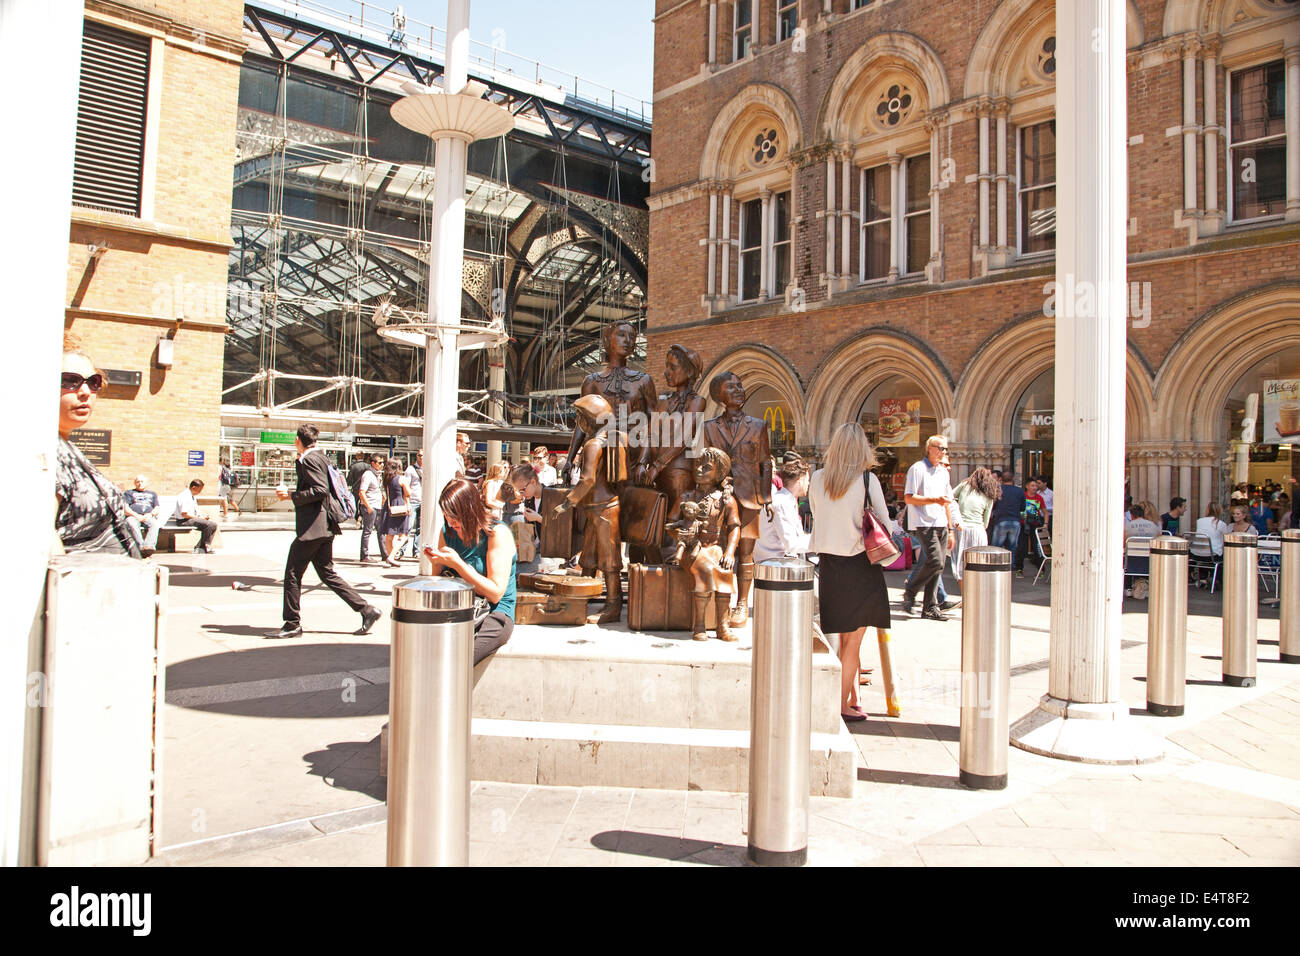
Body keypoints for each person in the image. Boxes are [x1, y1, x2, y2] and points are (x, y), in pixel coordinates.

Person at [808, 423, 894, 722]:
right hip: (860, 565)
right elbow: (886, 525)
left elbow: (816, 515)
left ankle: (850, 696)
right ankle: (839, 704)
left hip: (829, 565)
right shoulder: (868, 481)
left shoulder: (817, 478)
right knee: (852, 642)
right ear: (862, 449)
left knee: (840, 638)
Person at [270, 424, 380, 639]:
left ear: (298, 440)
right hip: (326, 525)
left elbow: (319, 489)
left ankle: (292, 623)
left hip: (314, 527)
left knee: (292, 573)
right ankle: (367, 610)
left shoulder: (309, 459)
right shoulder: (323, 457)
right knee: (327, 573)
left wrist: (290, 495)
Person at [54, 344, 142, 557]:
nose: (85, 392)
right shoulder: (40, 451)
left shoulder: (65, 447)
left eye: (92, 382)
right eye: (69, 381)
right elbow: (39, 538)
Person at [552, 395, 629, 624]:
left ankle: (613, 605)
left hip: (602, 507)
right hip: (600, 506)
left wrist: (567, 503)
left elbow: (586, 480)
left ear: (590, 419)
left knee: (610, 559)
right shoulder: (612, 439)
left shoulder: (594, 444)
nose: (578, 421)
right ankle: (581, 598)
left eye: (579, 417)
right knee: (589, 557)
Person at [424, 478, 517, 664]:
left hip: (495, 613)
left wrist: (458, 564)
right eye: (447, 516)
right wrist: (437, 564)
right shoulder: (447, 531)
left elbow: (495, 593)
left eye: (455, 516)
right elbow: (439, 583)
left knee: (460, 659)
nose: (451, 522)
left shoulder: (496, 533)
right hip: (459, 608)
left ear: (470, 510)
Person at [902, 435, 957, 621]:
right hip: (923, 523)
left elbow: (947, 502)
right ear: (930, 448)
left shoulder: (943, 472)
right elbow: (909, 498)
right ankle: (911, 589)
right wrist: (934, 500)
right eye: (940, 448)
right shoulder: (917, 469)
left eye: (946, 449)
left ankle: (930, 607)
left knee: (938, 567)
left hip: (940, 522)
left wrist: (950, 530)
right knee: (936, 562)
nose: (943, 452)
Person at [755, 457, 811, 561]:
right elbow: (792, 544)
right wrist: (820, 541)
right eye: (807, 480)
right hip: (774, 567)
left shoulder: (786, 500)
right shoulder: (782, 503)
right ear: (800, 481)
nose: (808, 484)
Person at [952, 467, 1000, 584]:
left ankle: (965, 597)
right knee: (978, 565)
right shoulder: (989, 496)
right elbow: (986, 522)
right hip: (978, 531)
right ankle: (976, 596)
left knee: (961, 565)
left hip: (961, 528)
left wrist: (956, 512)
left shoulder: (964, 485)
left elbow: (950, 496)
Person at [379, 457, 412, 567]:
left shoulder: (387, 479)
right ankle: (392, 556)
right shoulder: (401, 479)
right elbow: (408, 493)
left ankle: (390, 556)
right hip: (400, 506)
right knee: (403, 535)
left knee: (390, 534)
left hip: (389, 506)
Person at [123, 474, 168, 555]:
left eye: (142, 481)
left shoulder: (152, 494)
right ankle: (141, 547)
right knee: (132, 524)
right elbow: (126, 509)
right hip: (133, 516)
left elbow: (157, 508)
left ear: (146, 483)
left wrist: (150, 515)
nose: (140, 483)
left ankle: (148, 546)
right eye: (138, 482)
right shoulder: (129, 493)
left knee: (155, 524)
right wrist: (136, 515)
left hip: (148, 516)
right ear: (135, 483)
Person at [174, 480, 218, 554]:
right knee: (209, 525)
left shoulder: (191, 496)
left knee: (213, 525)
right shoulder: (185, 496)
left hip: (190, 519)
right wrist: (198, 519)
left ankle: (201, 547)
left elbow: (194, 511)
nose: (200, 492)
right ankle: (203, 547)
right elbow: (184, 514)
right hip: (184, 521)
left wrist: (202, 518)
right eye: (200, 489)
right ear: (193, 487)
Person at [989, 472, 1027, 556]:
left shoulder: (998, 490)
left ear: (1001, 479)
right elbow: (1023, 507)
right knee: (1012, 547)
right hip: (1015, 521)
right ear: (1013, 479)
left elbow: (992, 505)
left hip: (1000, 521)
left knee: (996, 547)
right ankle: (1010, 567)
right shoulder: (1019, 490)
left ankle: (994, 566)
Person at [357, 454, 385, 562]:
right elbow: (361, 492)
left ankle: (384, 554)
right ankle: (364, 555)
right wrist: (368, 506)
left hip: (378, 506)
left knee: (381, 531)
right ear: (373, 463)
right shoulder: (368, 474)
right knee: (367, 531)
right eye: (379, 463)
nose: (382, 465)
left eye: (383, 462)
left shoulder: (377, 475)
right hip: (371, 506)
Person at [398, 451, 423, 558]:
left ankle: (416, 551)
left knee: (420, 529)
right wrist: (406, 502)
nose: (422, 457)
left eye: (423, 455)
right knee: (408, 527)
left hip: (424, 502)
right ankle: (401, 550)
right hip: (413, 501)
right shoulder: (410, 469)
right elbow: (405, 486)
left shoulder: (429, 468)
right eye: (419, 455)